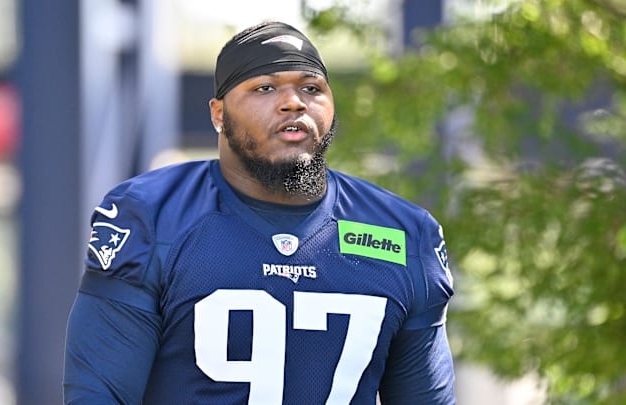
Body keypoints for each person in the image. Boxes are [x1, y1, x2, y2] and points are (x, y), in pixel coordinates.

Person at [64, 21, 455, 404]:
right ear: (219, 114)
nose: (293, 102)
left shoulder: (402, 234)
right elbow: (99, 395)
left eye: (311, 88)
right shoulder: (154, 215)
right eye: (264, 87)